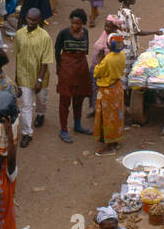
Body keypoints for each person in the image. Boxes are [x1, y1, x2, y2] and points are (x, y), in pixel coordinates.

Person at [13, 8, 54, 147]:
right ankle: (27, 133)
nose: (30, 22)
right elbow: (17, 56)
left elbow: (45, 60)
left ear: (39, 20)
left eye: (34, 20)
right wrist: (17, 77)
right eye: (29, 19)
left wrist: (40, 80)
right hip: (23, 75)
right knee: (25, 105)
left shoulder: (45, 37)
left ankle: (41, 114)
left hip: (39, 76)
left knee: (41, 99)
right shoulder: (19, 35)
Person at [54, 8, 94, 144]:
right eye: (73, 23)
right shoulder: (64, 33)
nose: (75, 26)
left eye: (78, 24)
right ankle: (63, 129)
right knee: (65, 100)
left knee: (79, 98)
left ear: (82, 24)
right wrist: (59, 68)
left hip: (81, 67)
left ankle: (77, 125)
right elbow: (57, 51)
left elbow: (85, 52)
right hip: (66, 68)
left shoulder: (86, 33)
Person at [92, 33, 125, 157]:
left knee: (108, 118)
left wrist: (99, 60)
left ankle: (110, 146)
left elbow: (97, 72)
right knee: (117, 116)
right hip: (117, 87)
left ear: (109, 45)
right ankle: (115, 141)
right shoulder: (122, 55)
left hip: (107, 90)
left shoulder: (108, 58)